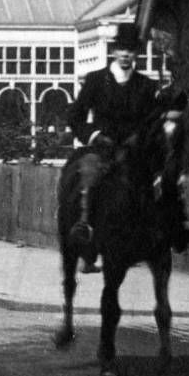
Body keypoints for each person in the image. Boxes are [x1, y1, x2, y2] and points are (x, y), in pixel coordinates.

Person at [64, 22, 160, 244]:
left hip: (133, 150)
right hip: (102, 149)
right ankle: (84, 223)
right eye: (122, 49)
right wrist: (95, 135)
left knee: (157, 178)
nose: (126, 54)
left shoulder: (145, 85)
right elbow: (75, 116)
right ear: (114, 51)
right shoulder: (96, 80)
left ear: (136, 53)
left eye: (131, 50)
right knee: (88, 171)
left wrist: (140, 136)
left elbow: (152, 121)